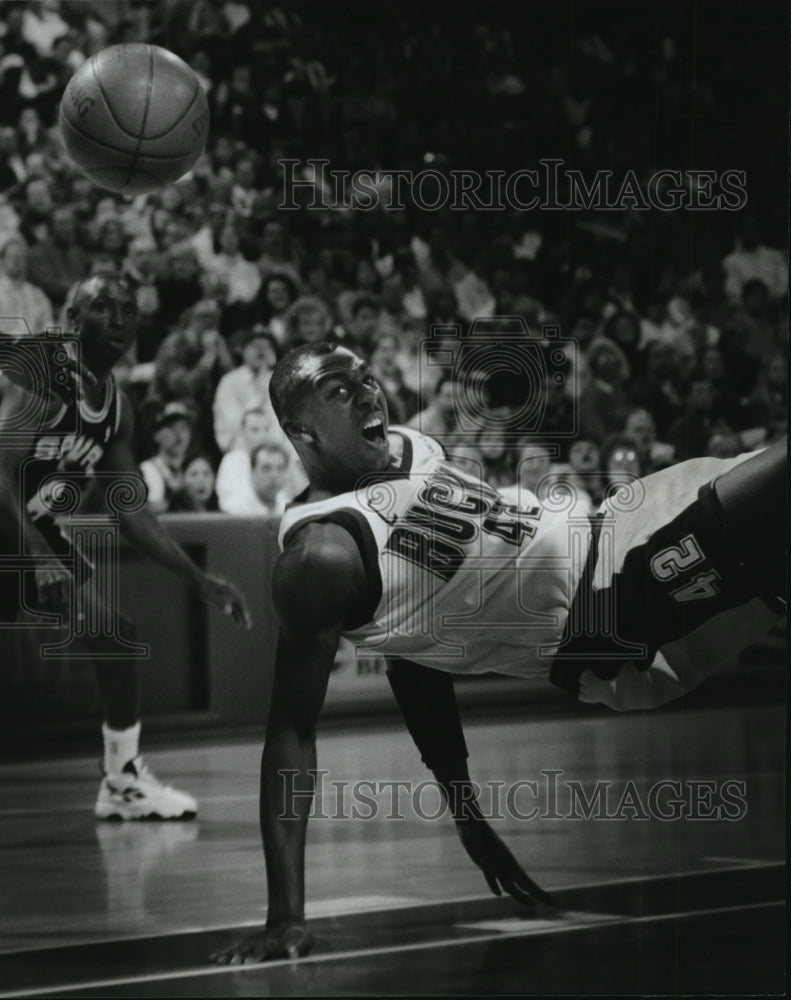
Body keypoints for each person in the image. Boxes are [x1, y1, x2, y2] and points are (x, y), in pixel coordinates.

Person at [212, 342, 785, 965]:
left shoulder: (410, 445)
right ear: (299, 430)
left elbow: (414, 653)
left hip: (626, 518)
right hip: (607, 617)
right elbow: (292, 730)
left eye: (366, 376)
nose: (369, 392)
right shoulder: (321, 556)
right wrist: (285, 915)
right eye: (339, 390)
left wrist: (467, 816)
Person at [0, 274, 251, 821]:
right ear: (72, 318)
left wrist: (197, 579)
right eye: (102, 307)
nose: (117, 318)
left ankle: (121, 780)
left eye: (127, 310)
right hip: (13, 528)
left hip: (30, 531)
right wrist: (37, 557)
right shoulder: (43, 366)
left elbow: (130, 511)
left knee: (117, 638)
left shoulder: (116, 406)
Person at [139, 402, 194, 514]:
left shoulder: (194, 468)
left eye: (184, 427)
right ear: (156, 435)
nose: (179, 434)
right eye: (171, 427)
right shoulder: (147, 470)